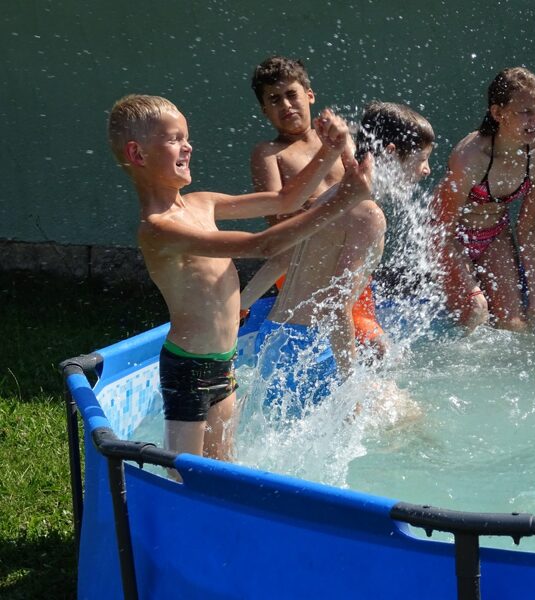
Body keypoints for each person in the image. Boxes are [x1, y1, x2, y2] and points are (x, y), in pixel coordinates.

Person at [107, 94, 372, 461]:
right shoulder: (158, 229)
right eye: (174, 139)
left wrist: (330, 150)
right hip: (189, 367)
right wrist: (343, 201)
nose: (188, 146)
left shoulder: (202, 203)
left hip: (224, 362)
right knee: (183, 470)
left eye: (187, 137)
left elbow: (286, 199)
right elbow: (262, 245)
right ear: (138, 154)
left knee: (224, 464)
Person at [240, 100, 433, 415]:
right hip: (310, 349)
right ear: (390, 153)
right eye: (422, 159)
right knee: (409, 419)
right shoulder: (368, 215)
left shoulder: (331, 196)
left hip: (274, 338)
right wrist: (349, 384)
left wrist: (241, 305)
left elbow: (282, 258)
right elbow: (337, 303)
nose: (426, 169)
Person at [249, 55, 386, 356]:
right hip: (304, 264)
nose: (286, 105)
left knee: (375, 347)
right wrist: (328, 201)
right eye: (274, 99)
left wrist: (347, 148)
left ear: (309, 95)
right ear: (264, 110)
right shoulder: (269, 154)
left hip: (348, 260)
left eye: (291, 94)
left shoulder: (338, 139)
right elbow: (278, 223)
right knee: (317, 347)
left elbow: (365, 195)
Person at [434, 67, 535, 331]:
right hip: (449, 236)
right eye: (525, 111)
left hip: (494, 235)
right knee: (475, 311)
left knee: (514, 324)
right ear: (498, 113)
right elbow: (441, 229)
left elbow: (527, 227)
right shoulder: (470, 156)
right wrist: (468, 284)